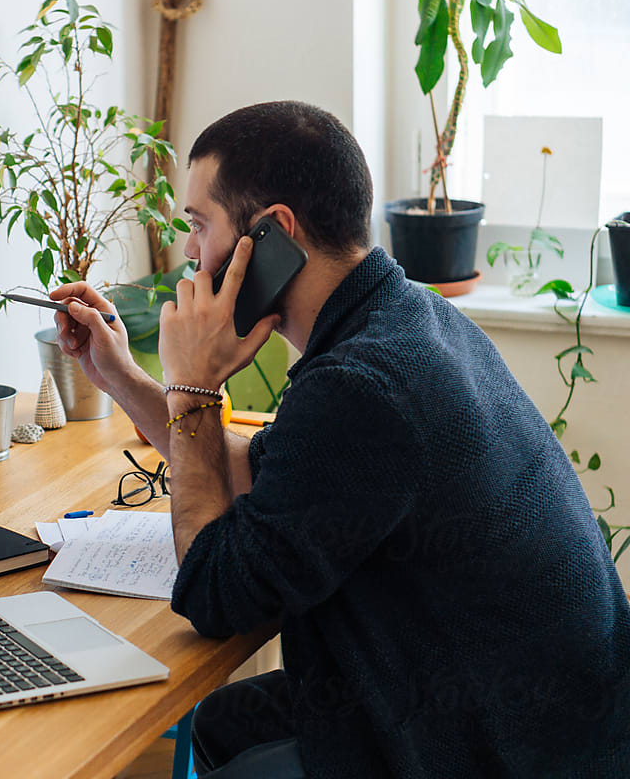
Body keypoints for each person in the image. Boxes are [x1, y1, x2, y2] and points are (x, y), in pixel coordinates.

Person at [49, 100, 630, 778]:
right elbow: (258, 474)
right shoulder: (405, 320)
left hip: (501, 747)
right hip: (542, 709)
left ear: (270, 234)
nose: (188, 252)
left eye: (199, 225)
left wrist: (195, 386)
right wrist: (121, 377)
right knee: (223, 723)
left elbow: (212, 595)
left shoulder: (364, 385)